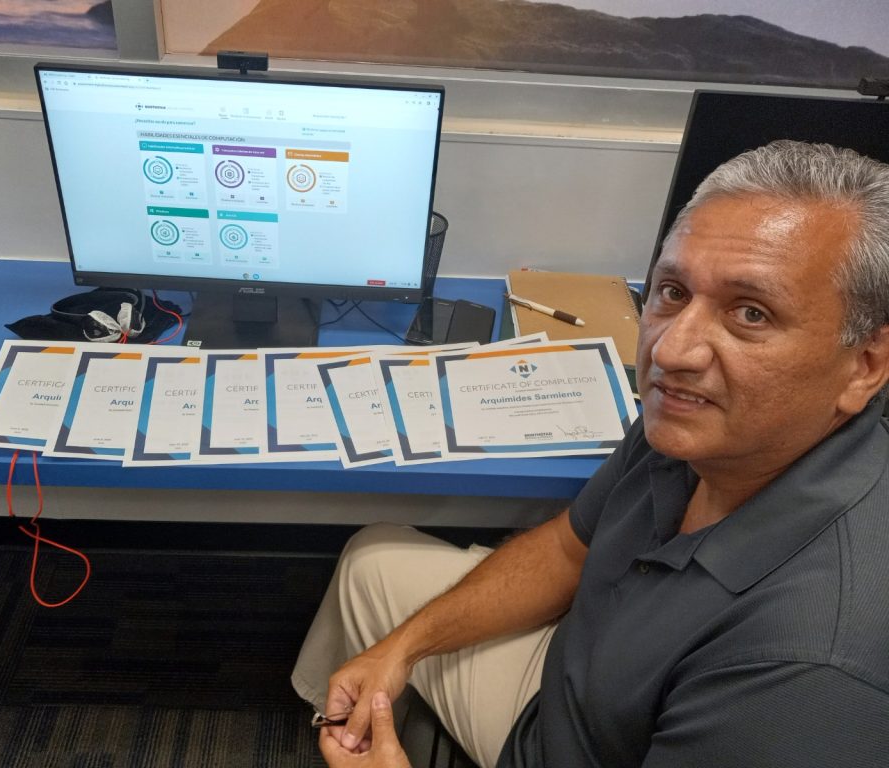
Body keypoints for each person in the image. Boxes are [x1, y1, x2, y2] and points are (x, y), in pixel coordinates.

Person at [291, 140, 889, 768]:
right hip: (564, 695)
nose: (671, 351)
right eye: (674, 292)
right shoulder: (697, 427)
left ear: (865, 365)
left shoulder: (807, 673)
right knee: (371, 557)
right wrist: (404, 647)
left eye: (750, 313)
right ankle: (334, 721)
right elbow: (569, 548)